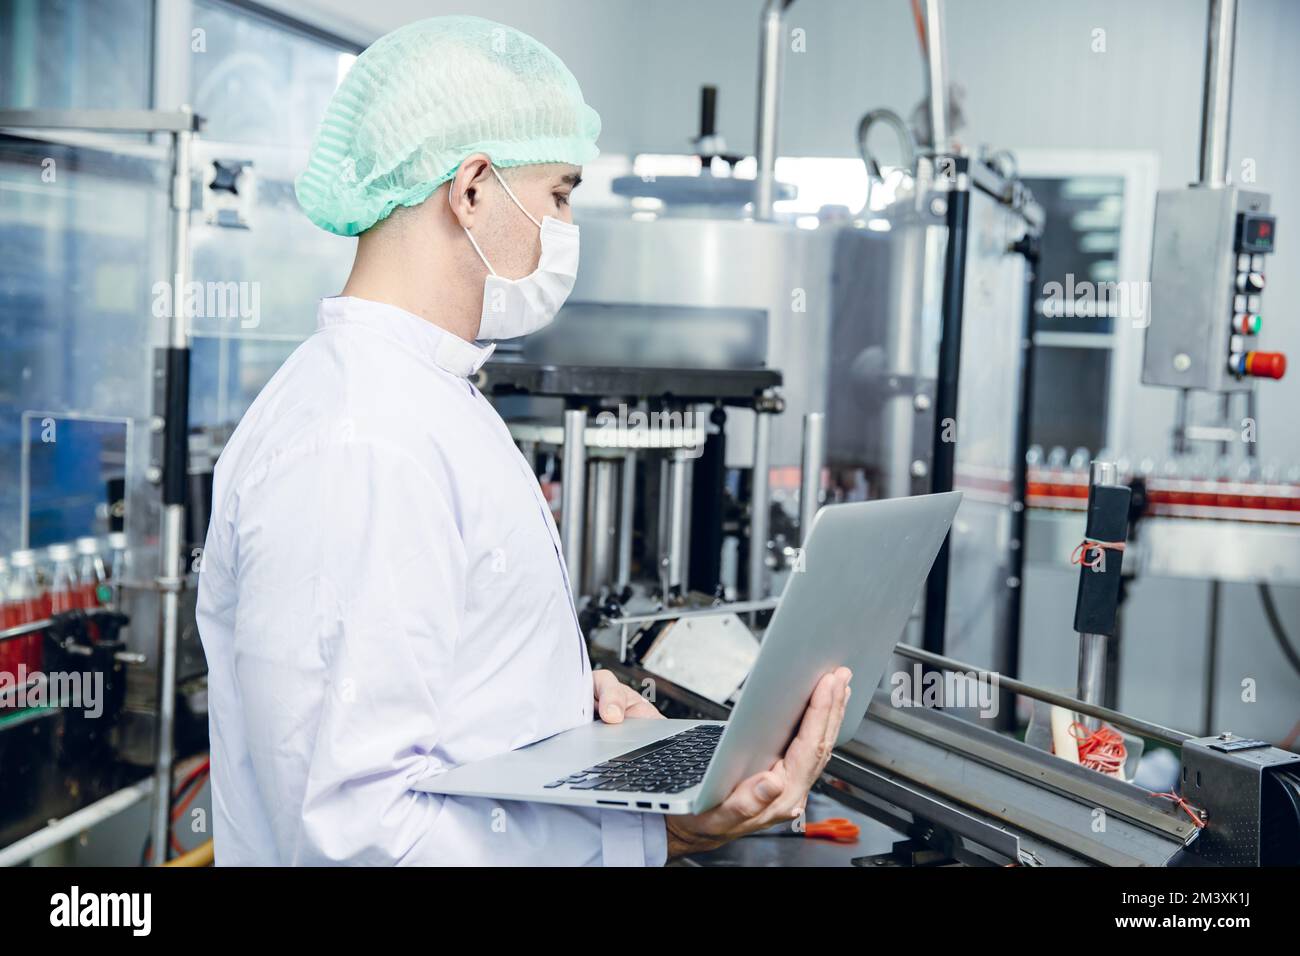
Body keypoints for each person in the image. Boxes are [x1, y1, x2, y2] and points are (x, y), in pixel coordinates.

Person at [195, 14, 852, 866]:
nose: (566, 224)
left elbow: (419, 698)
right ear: (470, 190)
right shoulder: (361, 445)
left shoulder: (430, 395)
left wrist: (552, 708)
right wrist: (651, 829)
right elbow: (356, 839)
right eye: (561, 194)